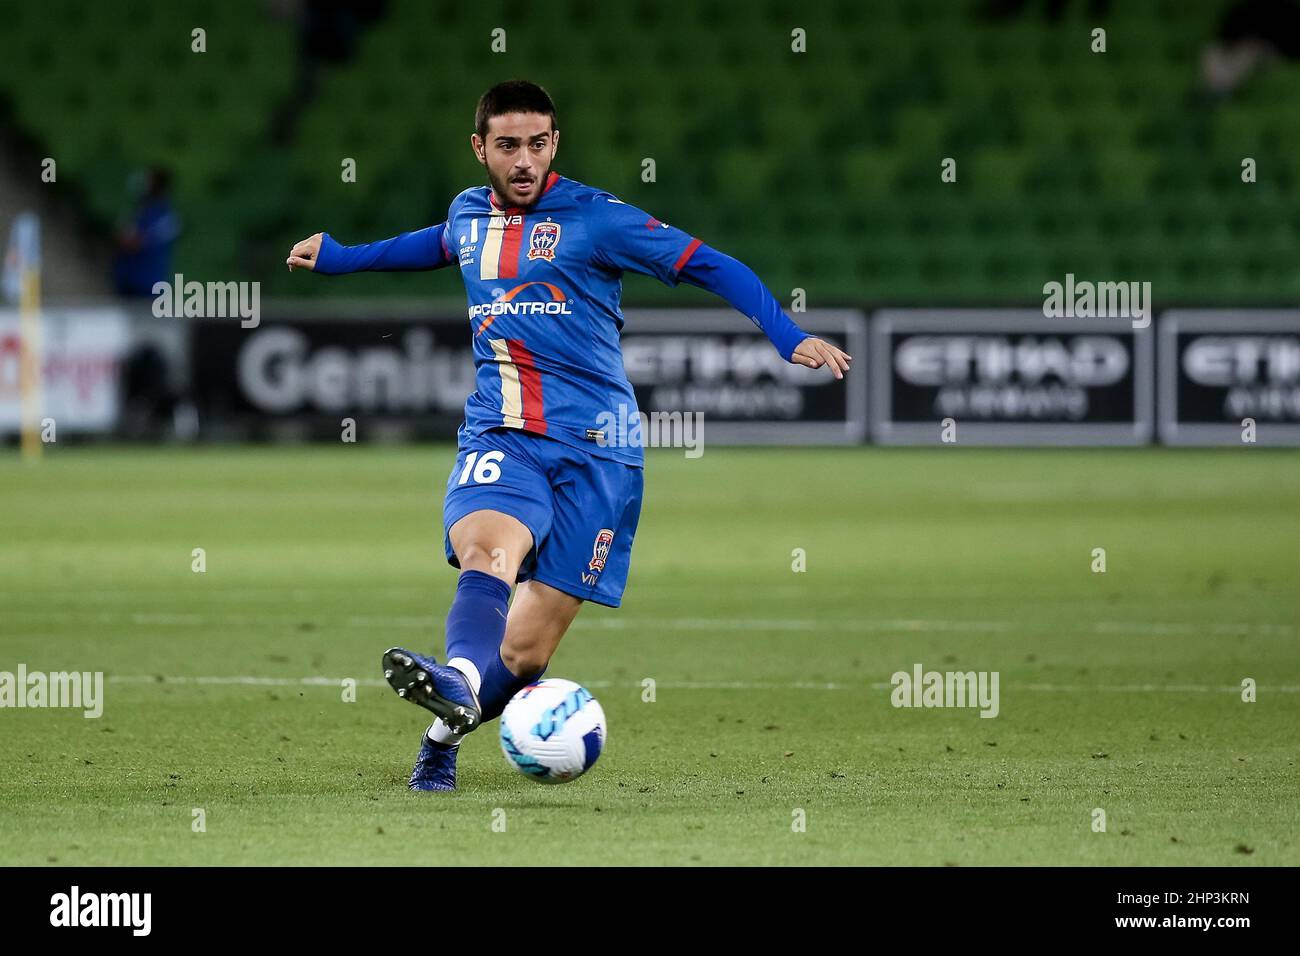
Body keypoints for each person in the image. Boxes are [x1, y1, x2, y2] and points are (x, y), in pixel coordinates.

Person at [285, 80, 851, 791]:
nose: (524, 160)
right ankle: (456, 674)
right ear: (479, 149)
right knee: (487, 550)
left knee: (523, 652)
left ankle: (440, 737)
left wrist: (786, 332)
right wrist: (339, 257)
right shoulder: (467, 215)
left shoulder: (596, 219)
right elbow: (431, 245)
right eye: (508, 145)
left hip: (599, 453)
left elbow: (711, 263)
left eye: (538, 144)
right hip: (504, 433)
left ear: (555, 143)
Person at [112, 167, 180, 297]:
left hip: (149, 287)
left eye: (149, 181)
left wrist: (128, 238)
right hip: (126, 284)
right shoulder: (137, 212)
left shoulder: (167, 218)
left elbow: (135, 242)